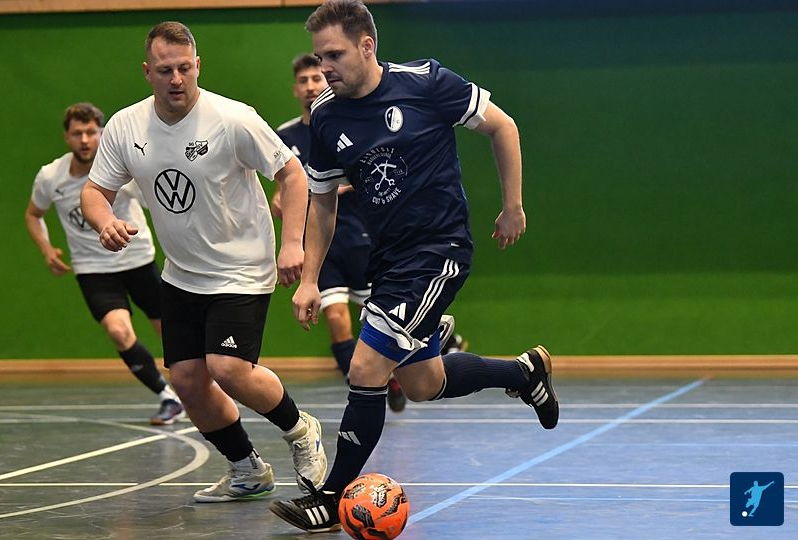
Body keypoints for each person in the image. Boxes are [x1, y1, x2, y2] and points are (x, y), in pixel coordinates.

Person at [270, 1, 559, 532]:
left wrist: (513, 206)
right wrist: (310, 278)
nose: (324, 69)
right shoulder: (327, 116)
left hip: (438, 250)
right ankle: (523, 372)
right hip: (387, 260)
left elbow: (503, 127)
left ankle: (330, 497)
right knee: (423, 383)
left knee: (365, 369)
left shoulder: (426, 82)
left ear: (367, 46)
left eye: (334, 55)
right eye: (319, 57)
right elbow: (323, 203)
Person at [79, 22, 327, 503]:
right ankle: (247, 469)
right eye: (165, 70)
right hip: (182, 273)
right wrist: (104, 220)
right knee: (188, 381)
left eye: (184, 68)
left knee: (228, 368)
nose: (176, 79)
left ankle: (300, 430)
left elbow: (292, 175)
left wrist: (292, 245)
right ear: (147, 72)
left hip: (242, 267)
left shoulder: (233, 119)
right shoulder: (126, 127)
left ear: (197, 66)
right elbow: (95, 191)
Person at [273, 54, 469, 413]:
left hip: (363, 238)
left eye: (317, 78)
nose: (312, 86)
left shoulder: (352, 115)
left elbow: (362, 174)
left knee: (386, 325)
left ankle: (425, 333)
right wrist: (286, 206)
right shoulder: (288, 135)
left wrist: (336, 185)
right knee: (337, 321)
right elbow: (286, 192)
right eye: (303, 81)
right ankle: (371, 383)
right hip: (323, 246)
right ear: (294, 89)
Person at [25, 102, 184, 426]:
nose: (84, 140)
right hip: (93, 269)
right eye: (77, 133)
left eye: (90, 132)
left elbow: (160, 202)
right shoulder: (51, 176)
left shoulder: (122, 169)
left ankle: (198, 390)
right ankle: (168, 397)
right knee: (118, 331)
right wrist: (46, 249)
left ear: (101, 133)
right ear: (67, 137)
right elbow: (33, 214)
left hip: (138, 260)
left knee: (171, 333)